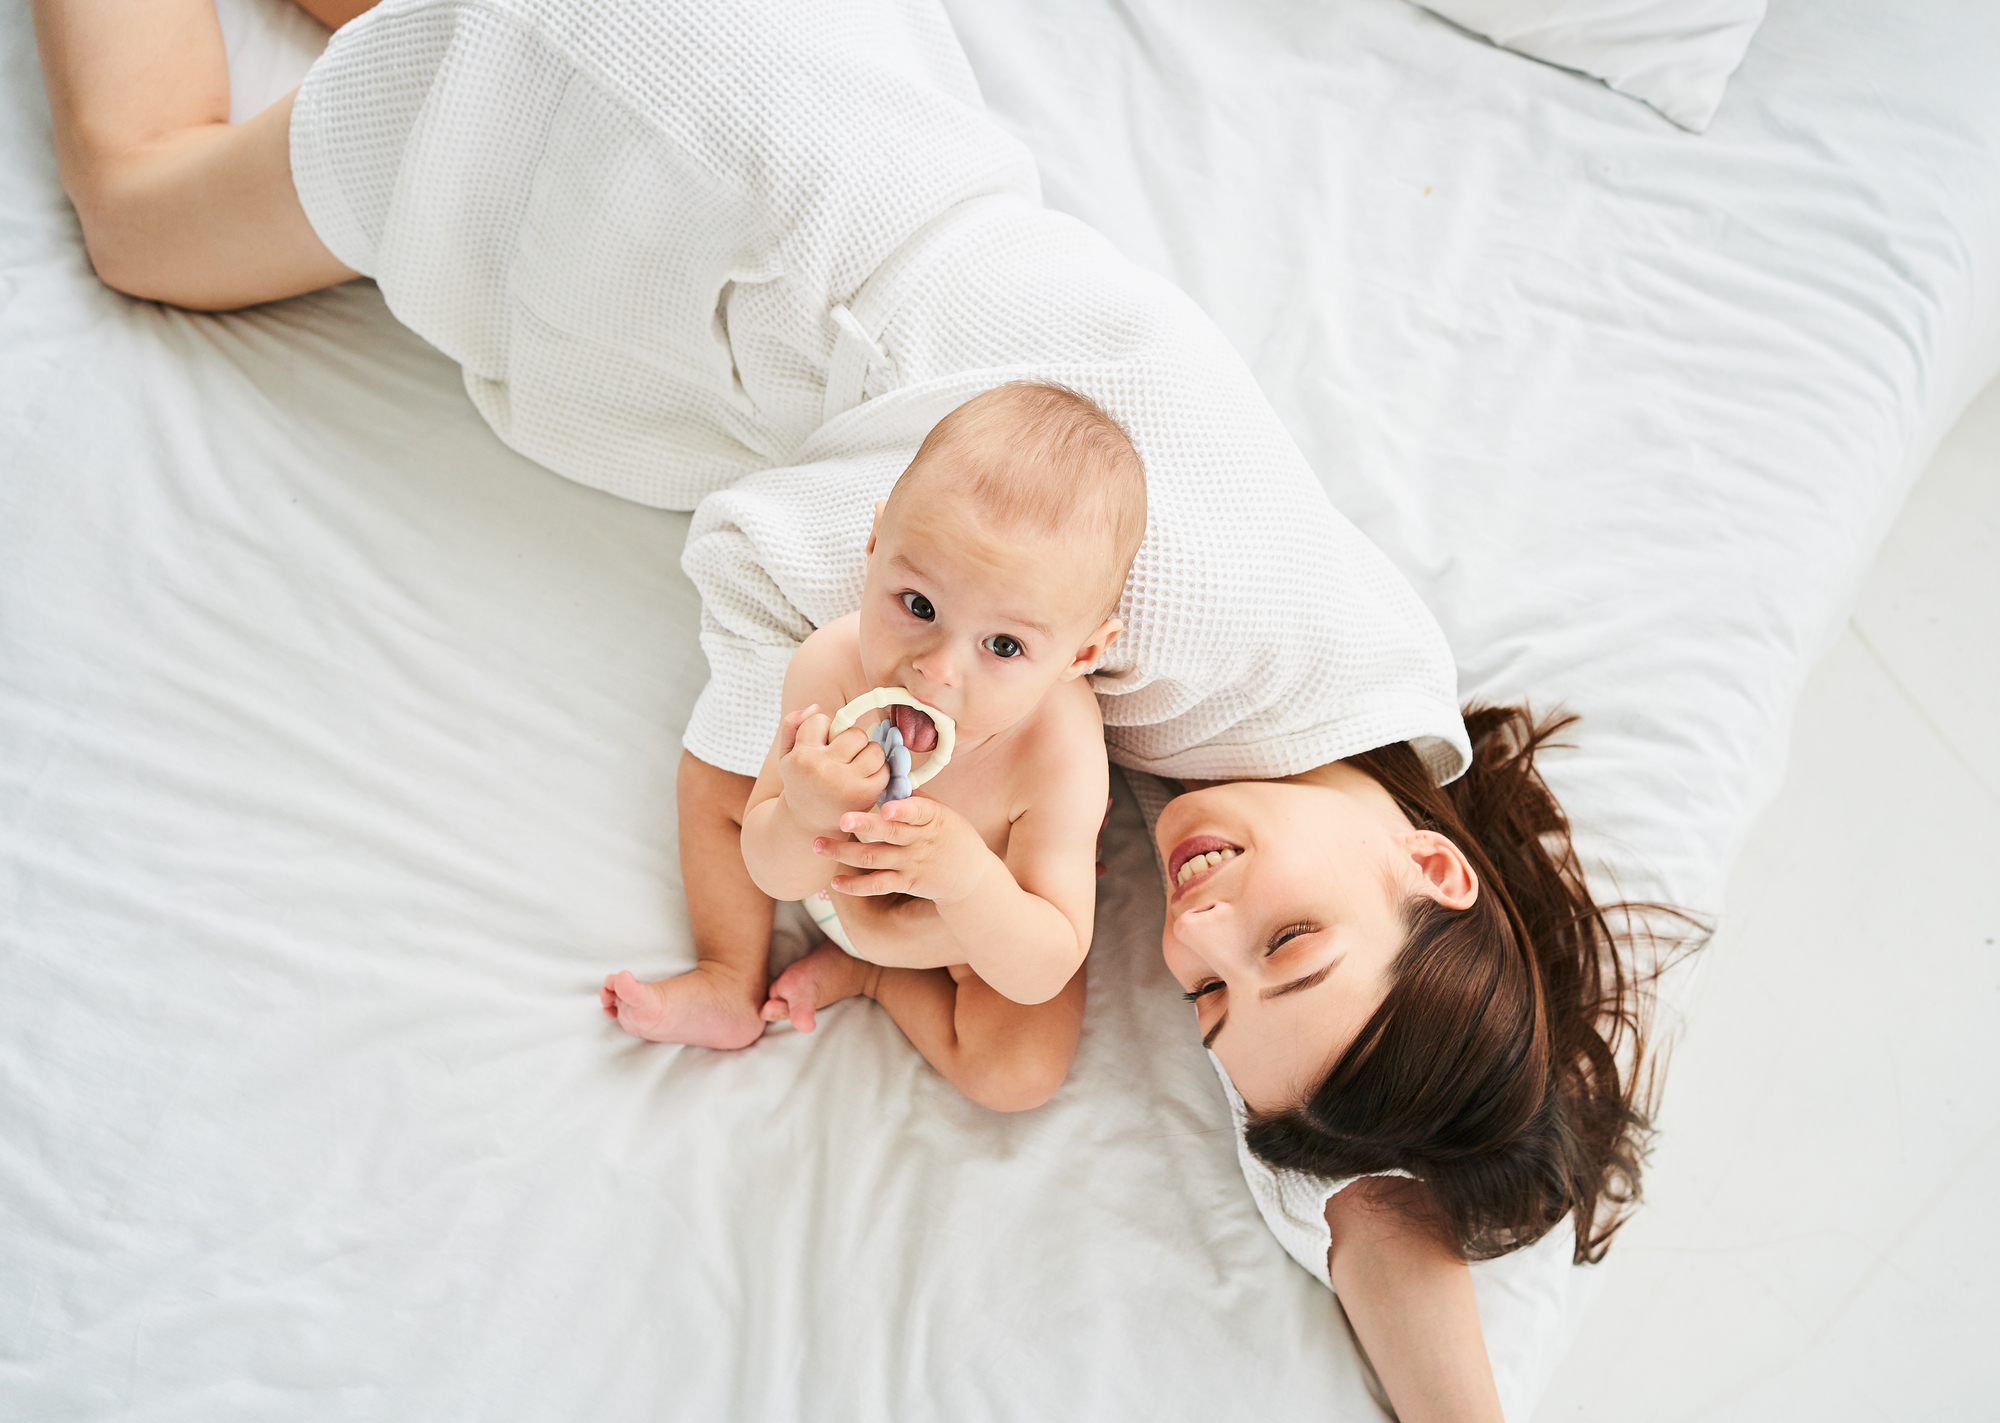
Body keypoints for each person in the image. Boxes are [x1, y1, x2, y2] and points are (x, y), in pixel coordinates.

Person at [30, 0, 1670, 1416]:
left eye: (1215, 1006)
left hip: (825, 85)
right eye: (1280, 944)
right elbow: (779, 560)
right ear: (1435, 870)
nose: (1197, 931)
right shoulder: (1176, 614)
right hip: (676, 160)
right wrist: (788, 783)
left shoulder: (1374, 698)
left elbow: (1348, 1150)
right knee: (145, 202)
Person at [606, 380, 1143, 1112]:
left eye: (1005, 644)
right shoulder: (831, 666)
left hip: (957, 938)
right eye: (917, 605)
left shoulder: (1060, 751)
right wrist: (800, 810)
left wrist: (966, 881)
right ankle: (730, 973)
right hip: (831, 883)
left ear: (1082, 653)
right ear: (876, 541)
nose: (937, 669)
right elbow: (773, 869)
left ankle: (876, 981)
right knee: (712, 780)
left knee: (1017, 1074)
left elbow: (1045, 960)